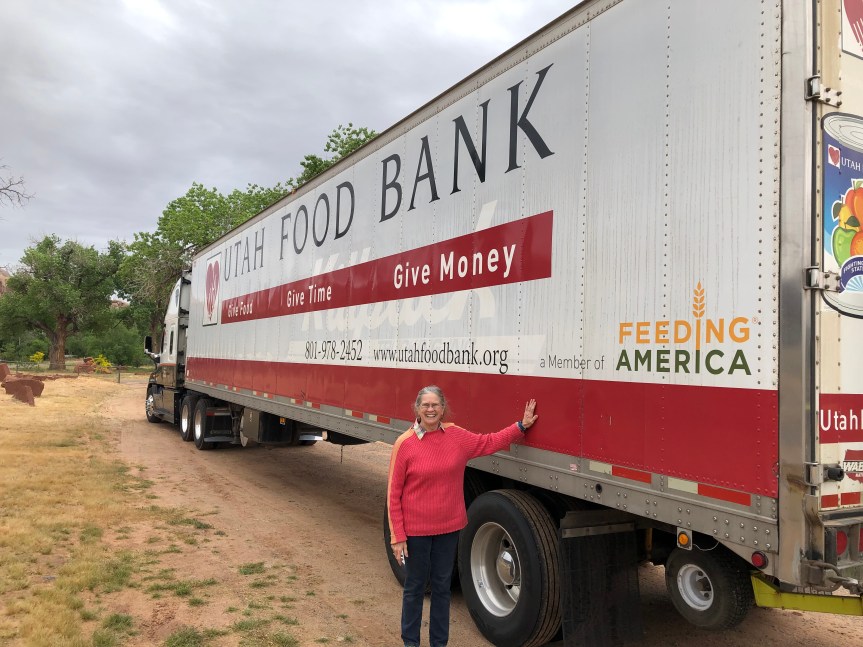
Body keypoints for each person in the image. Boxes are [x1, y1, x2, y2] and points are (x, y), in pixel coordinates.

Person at [386, 385, 538, 647]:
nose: (431, 409)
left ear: (443, 408)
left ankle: (439, 643)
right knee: (414, 589)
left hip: (448, 530)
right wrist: (398, 537)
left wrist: (520, 427)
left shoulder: (456, 436)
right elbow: (393, 495)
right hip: (416, 533)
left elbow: (489, 442)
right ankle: (410, 642)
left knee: (443, 589)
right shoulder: (405, 444)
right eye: (426, 405)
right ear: (417, 409)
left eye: (435, 405)